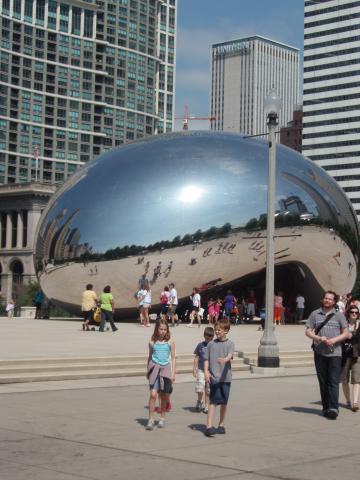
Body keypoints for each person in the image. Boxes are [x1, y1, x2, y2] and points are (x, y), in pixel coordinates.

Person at [305, 291, 348, 419]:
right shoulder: (315, 314)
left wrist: (334, 340)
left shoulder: (339, 315)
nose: (327, 300)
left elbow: (346, 333)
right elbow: (307, 331)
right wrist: (318, 338)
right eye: (325, 298)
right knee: (323, 381)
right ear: (322, 299)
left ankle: (334, 407)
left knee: (333, 381)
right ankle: (326, 407)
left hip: (335, 353)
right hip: (319, 353)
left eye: (330, 299)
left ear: (334, 301)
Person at [204, 318, 235, 437]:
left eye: (219, 330)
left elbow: (230, 355)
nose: (217, 332)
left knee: (224, 402)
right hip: (214, 378)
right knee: (213, 401)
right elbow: (206, 359)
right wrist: (206, 371)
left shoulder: (230, 344)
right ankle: (209, 426)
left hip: (226, 377)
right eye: (216, 330)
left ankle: (221, 424)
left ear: (226, 330)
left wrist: (225, 360)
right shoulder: (211, 344)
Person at [146, 319, 176, 430]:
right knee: (153, 394)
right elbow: (149, 357)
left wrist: (173, 373)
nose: (163, 331)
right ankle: (150, 418)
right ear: (156, 329)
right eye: (160, 329)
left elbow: (173, 358)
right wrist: (147, 370)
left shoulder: (170, 342)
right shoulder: (152, 342)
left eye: (165, 329)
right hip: (154, 368)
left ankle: (162, 417)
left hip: (166, 369)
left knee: (163, 395)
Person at [340, 306, 360, 411]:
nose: (354, 314)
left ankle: (355, 402)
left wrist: (352, 335)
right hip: (344, 354)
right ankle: (348, 401)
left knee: (356, 380)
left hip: (357, 355)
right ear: (348, 313)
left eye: (356, 313)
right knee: (344, 380)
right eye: (352, 312)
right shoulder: (343, 324)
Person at [193, 326, 215, 413]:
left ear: (212, 337)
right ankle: (199, 401)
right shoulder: (200, 345)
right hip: (201, 369)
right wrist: (194, 368)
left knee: (208, 389)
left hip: (210, 371)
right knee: (200, 386)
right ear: (204, 336)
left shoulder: (214, 345)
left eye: (210, 338)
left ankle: (207, 405)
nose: (208, 340)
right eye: (206, 338)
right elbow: (196, 357)